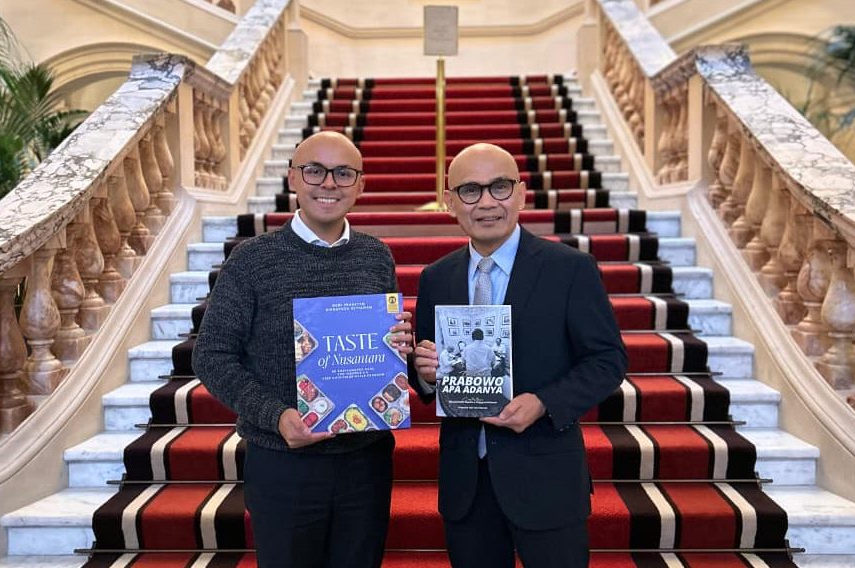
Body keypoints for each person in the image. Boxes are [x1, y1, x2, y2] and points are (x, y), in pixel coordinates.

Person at [193, 131, 413, 568]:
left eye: (343, 173)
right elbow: (211, 355)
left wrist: (399, 346)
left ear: (360, 184)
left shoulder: (376, 256)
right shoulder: (252, 259)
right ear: (293, 177)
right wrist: (276, 416)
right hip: (284, 462)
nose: (329, 183)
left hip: (365, 460)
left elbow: (381, 353)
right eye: (315, 171)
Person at [411, 143, 627, 568]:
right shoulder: (436, 277)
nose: (486, 202)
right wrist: (425, 373)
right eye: (470, 190)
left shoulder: (569, 269)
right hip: (466, 483)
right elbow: (430, 369)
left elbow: (607, 360)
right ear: (450, 201)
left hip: (546, 477)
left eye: (500, 187)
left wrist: (544, 402)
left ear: (522, 194)